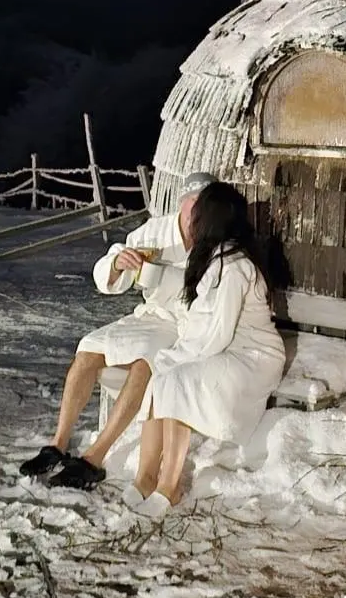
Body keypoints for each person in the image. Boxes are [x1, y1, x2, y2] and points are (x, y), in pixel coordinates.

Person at [19, 171, 218, 488]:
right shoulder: (157, 231)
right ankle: (57, 444)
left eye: (204, 205)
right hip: (149, 316)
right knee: (88, 348)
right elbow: (113, 259)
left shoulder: (216, 240)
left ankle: (93, 459)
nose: (197, 212)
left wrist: (162, 278)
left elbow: (206, 292)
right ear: (182, 202)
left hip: (184, 323)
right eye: (192, 203)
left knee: (146, 364)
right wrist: (117, 264)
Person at [127, 181, 285, 518]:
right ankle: (145, 477)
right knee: (161, 376)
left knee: (174, 379)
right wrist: (173, 358)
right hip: (229, 349)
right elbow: (201, 322)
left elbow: (218, 332)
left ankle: (170, 486)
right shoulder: (216, 259)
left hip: (252, 357)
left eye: (197, 213)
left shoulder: (235, 266)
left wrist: (178, 359)